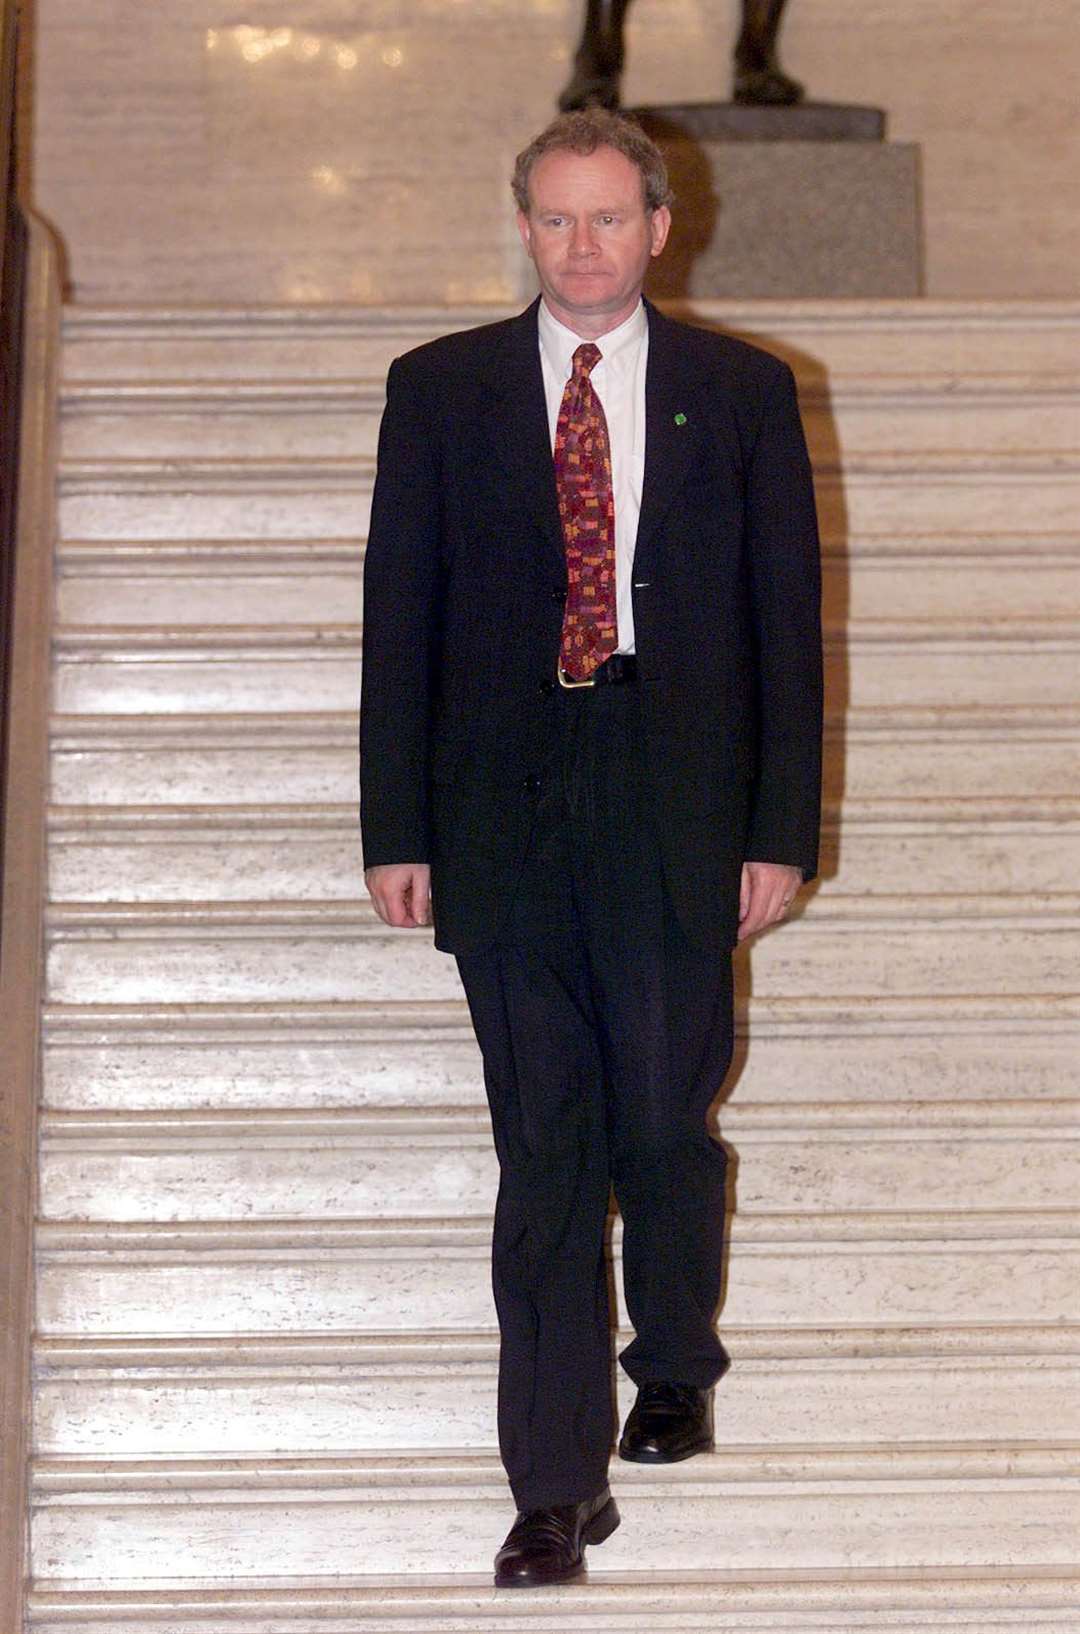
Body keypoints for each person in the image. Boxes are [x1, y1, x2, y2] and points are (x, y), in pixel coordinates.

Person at [360, 107, 822, 1588]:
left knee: (662, 1118)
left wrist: (777, 829)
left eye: (609, 218)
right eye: (556, 220)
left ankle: (674, 1348)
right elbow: (400, 621)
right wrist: (398, 826)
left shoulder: (742, 393)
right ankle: (553, 1486)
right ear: (524, 226)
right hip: (506, 803)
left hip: (674, 791)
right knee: (543, 1145)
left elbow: (786, 635)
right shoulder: (437, 391)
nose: (583, 245)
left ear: (660, 226)